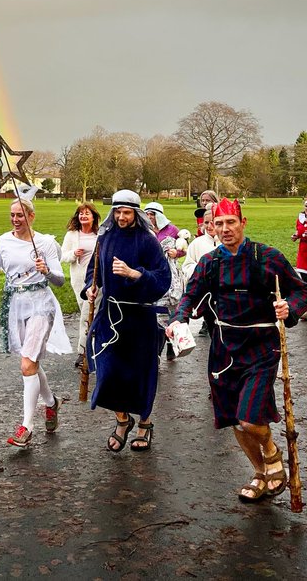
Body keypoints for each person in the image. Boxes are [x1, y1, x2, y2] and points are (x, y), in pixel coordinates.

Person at [166, 198, 307, 503]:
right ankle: (260, 473)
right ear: (211, 227)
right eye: (219, 224)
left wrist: (290, 308)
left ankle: (272, 454)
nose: (225, 229)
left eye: (231, 222)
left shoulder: (267, 257)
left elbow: (300, 290)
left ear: (243, 223)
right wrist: (178, 319)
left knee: (249, 417)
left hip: (262, 346)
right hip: (223, 348)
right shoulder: (210, 262)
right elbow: (190, 296)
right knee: (235, 419)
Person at [84, 190, 171, 452]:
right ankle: (122, 420)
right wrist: (91, 287)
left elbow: (163, 279)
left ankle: (145, 423)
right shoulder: (105, 237)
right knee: (109, 372)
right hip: (110, 317)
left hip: (139, 319)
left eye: (127, 213)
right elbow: (93, 270)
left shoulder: (148, 240)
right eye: (118, 212)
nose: (122, 217)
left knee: (141, 374)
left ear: (136, 214)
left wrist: (135, 274)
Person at [0, 197, 72, 447]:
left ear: (31, 216)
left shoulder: (45, 243)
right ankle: (52, 403)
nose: (15, 219)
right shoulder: (3, 241)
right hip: (15, 305)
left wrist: (46, 270)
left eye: (20, 215)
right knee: (31, 363)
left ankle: (27, 426)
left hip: (40, 305)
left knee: (27, 364)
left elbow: (60, 280)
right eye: (12, 215)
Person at [144, 201, 188, 359]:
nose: (150, 217)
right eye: (147, 214)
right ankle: (156, 349)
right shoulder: (144, 229)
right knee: (155, 309)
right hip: (151, 271)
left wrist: (176, 253)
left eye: (152, 214)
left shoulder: (172, 229)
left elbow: (183, 248)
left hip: (170, 272)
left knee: (169, 307)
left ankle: (170, 344)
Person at [60, 203, 100, 364]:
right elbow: (62, 256)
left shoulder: (99, 235)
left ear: (93, 217)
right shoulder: (72, 235)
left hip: (97, 280)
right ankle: (93, 346)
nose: (83, 216)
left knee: (87, 313)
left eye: (87, 213)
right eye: (81, 214)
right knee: (86, 310)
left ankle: (83, 352)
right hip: (78, 280)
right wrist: (73, 254)